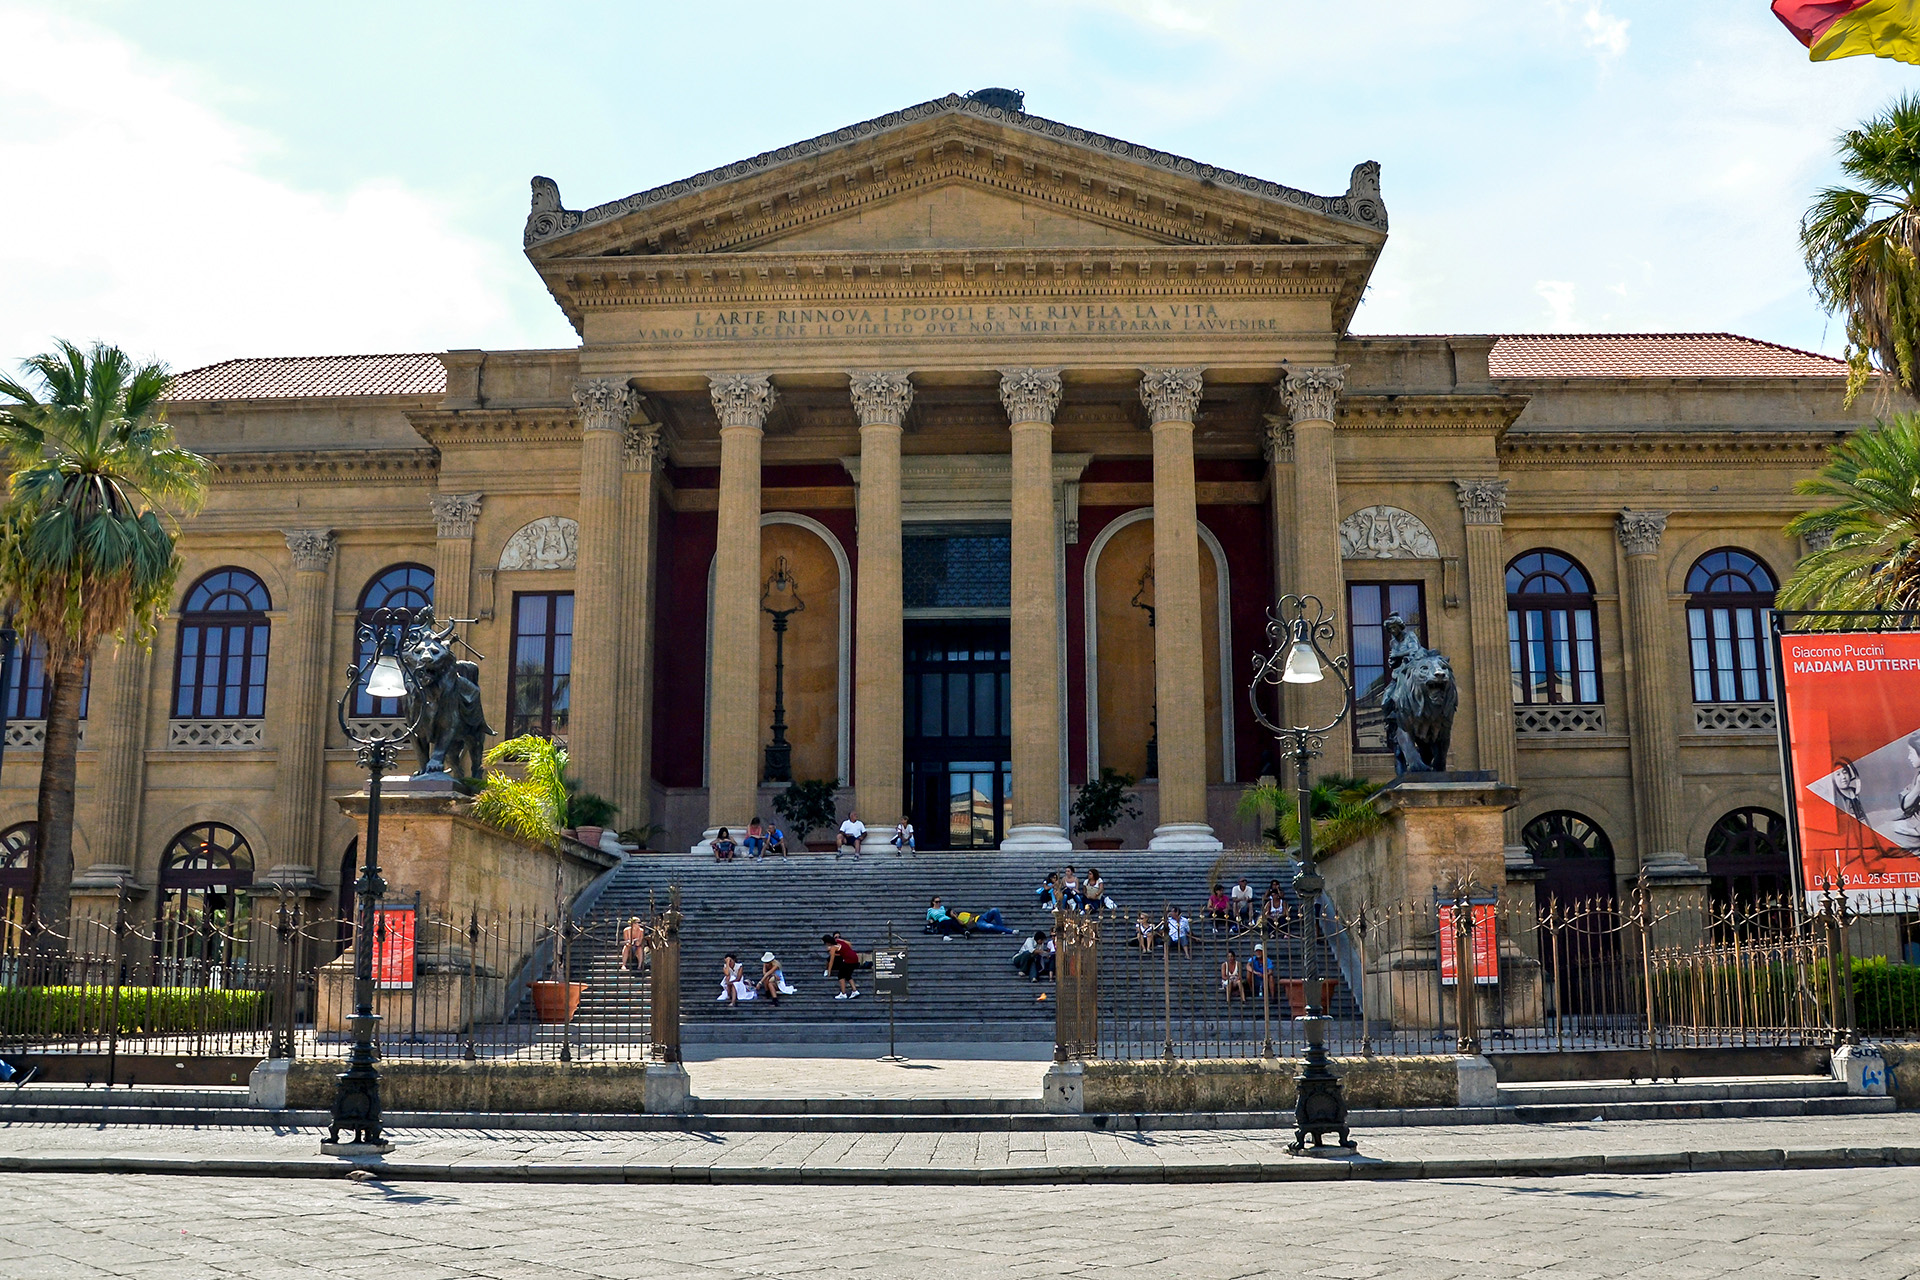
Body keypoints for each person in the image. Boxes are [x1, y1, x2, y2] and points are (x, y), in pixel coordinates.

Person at [822, 932, 861, 999]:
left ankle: (843, 993)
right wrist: (847, 951)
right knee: (847, 975)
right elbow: (849, 943)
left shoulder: (833, 948)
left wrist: (829, 971)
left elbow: (831, 960)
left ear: (827, 943)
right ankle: (855, 990)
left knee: (841, 975)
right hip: (854, 957)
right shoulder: (838, 940)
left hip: (849, 959)